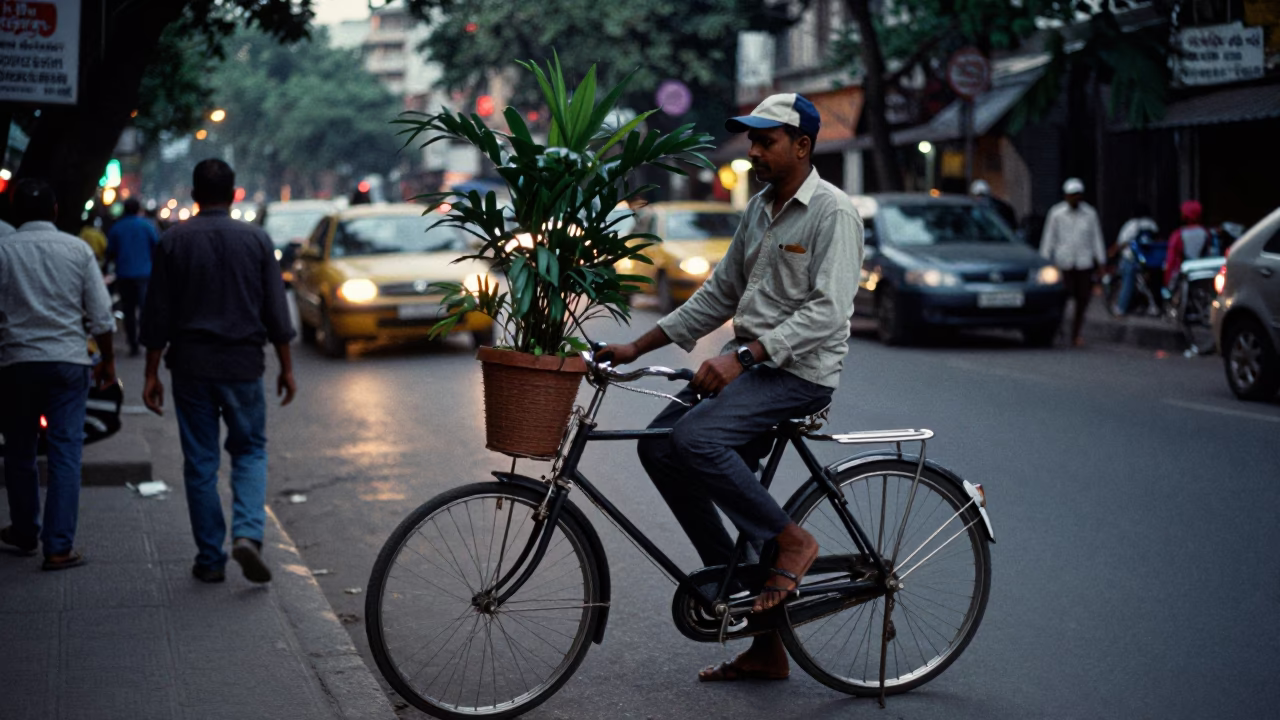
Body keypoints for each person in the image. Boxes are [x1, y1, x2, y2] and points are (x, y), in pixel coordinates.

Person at [598, 93, 864, 683]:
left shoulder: (832, 212)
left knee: (695, 439)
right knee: (659, 446)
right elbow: (719, 292)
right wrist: (636, 347)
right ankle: (742, 602)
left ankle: (792, 542)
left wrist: (744, 357)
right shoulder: (761, 208)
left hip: (798, 373)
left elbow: (827, 311)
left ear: (801, 145)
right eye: (752, 140)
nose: (753, 151)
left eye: (766, 140)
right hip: (754, 365)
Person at [139, 159, 297, 584]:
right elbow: (276, 312)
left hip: (190, 367)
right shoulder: (257, 240)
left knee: (200, 461)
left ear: (194, 195)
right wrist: (286, 367)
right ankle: (247, 534)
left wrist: (150, 374)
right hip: (243, 365)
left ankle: (210, 557)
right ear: (233, 195)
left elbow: (157, 314)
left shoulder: (174, 241)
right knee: (249, 451)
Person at [0, 179, 116, 570]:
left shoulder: (2, 249)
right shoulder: (77, 249)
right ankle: (59, 546)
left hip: (15, 363)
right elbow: (101, 318)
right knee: (66, 453)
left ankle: (23, 530)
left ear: (14, 212)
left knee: (19, 452)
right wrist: (108, 362)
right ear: (54, 211)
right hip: (68, 363)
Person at [1039, 178, 1105, 347]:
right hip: (1063, 263)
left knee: (1083, 300)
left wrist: (1101, 261)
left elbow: (1096, 238)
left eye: (1077, 195)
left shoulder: (1090, 214)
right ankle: (1057, 330)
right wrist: (1044, 260)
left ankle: (1076, 333)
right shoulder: (1056, 213)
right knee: (1061, 299)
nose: (1074, 199)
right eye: (1071, 195)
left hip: (1083, 262)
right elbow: (1049, 239)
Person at [107, 197, 160, 356]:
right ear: (139, 210)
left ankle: (133, 343)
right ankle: (147, 340)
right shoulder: (147, 226)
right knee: (145, 309)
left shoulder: (117, 228)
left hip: (124, 274)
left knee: (128, 311)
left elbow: (110, 251)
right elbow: (157, 247)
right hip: (144, 274)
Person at [1111, 203, 1160, 315]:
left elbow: (1122, 243)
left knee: (1127, 283)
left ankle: (1121, 307)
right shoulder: (1152, 225)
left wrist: (1112, 252)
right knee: (1149, 285)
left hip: (1131, 258)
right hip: (1149, 260)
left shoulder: (1132, 225)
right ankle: (1153, 306)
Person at [1164, 200, 1211, 289]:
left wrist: (1167, 280)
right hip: (1203, 276)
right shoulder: (1206, 233)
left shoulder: (1178, 235)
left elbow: (1171, 260)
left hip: (1183, 277)